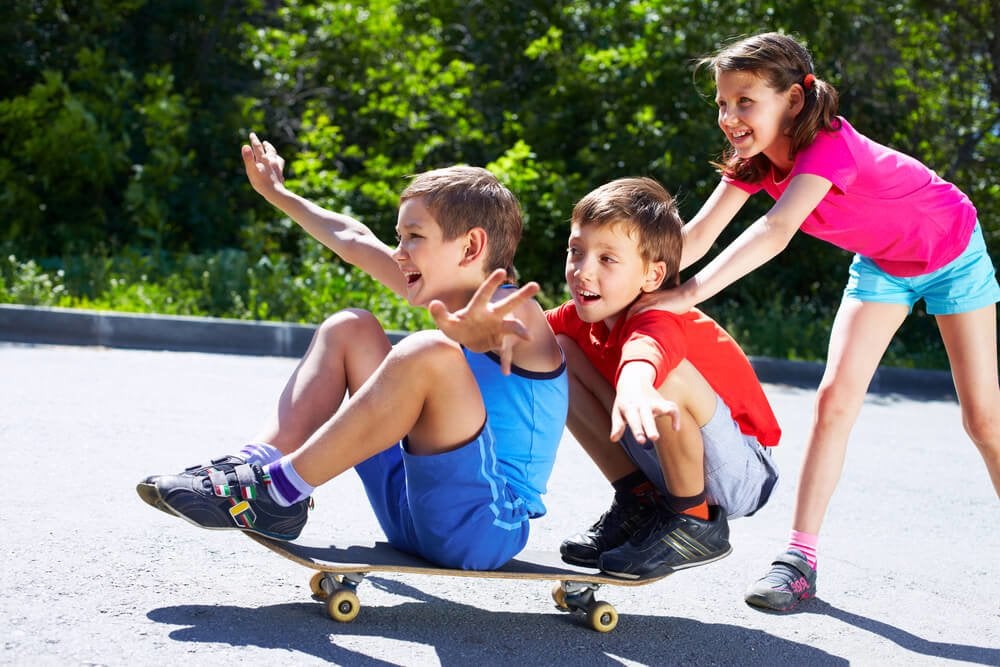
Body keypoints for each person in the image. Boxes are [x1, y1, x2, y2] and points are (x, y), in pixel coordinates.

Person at [642, 32, 1000, 610]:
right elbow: (700, 234)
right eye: (722, 104)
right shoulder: (754, 160)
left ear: (794, 100)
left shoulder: (827, 146)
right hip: (885, 265)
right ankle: (798, 561)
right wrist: (638, 280)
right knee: (833, 398)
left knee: (984, 423)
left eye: (744, 102)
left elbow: (776, 230)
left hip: (953, 252)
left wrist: (690, 293)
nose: (730, 117)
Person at [136, 132, 569, 571]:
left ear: (471, 246)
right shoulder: (442, 288)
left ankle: (281, 490)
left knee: (427, 351)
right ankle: (259, 468)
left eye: (413, 237)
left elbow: (499, 333)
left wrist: (473, 338)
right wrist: (277, 193)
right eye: (398, 238)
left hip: (483, 527)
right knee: (351, 327)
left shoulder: (520, 312)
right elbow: (351, 238)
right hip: (409, 509)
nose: (398, 254)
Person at [536, 177, 782, 579]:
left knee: (666, 378)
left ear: (652, 276)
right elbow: (529, 335)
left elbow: (647, 351)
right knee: (552, 350)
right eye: (576, 252)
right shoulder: (584, 314)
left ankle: (693, 521)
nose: (582, 271)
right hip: (671, 453)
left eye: (607, 259)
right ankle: (639, 500)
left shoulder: (659, 316)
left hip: (741, 472)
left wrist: (635, 384)